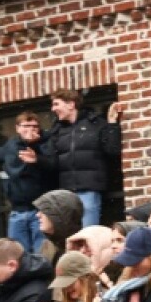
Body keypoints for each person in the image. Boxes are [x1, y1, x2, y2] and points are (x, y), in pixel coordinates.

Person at [0, 112, 53, 252]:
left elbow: (52, 165)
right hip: (17, 211)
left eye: (35, 126)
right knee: (17, 255)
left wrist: (35, 147)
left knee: (43, 254)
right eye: (26, 126)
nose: (31, 129)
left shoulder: (45, 145)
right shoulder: (11, 146)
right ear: (18, 128)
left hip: (40, 211)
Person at [40, 89, 123, 227]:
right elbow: (52, 162)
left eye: (56, 104)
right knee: (69, 236)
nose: (53, 109)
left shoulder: (95, 123)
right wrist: (37, 158)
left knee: (87, 233)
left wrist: (112, 124)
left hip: (89, 189)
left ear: (71, 104)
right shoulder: (57, 130)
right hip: (66, 194)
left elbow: (112, 150)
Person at [33, 189, 84, 261]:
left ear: (59, 216)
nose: (38, 215)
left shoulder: (82, 251)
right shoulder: (48, 245)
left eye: (44, 211)